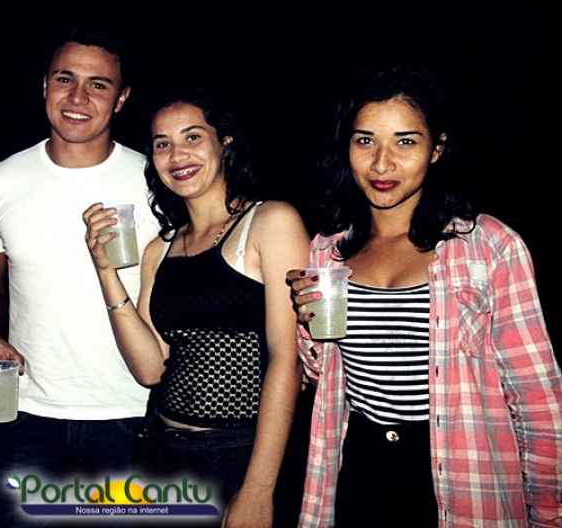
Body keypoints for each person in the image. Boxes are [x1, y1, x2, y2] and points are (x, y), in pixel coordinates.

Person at [288, 66, 562, 526]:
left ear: (436, 149)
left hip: (460, 474)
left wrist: (549, 513)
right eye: (365, 141)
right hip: (359, 471)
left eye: (405, 142)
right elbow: (321, 374)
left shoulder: (488, 247)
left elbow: (537, 399)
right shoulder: (327, 251)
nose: (382, 164)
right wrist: (307, 323)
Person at [82, 87, 310, 527]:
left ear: (224, 141)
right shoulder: (160, 248)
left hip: (239, 454)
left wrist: (258, 488)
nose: (177, 155)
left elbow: (288, 359)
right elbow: (150, 368)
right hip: (161, 450)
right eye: (162, 144)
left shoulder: (270, 222)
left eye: (192, 137)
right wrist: (105, 271)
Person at [0, 28, 158, 521]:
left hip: (132, 411)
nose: (77, 97)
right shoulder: (1, 180)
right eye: (65, 79)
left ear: (121, 99)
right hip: (26, 411)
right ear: (44, 85)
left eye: (98, 85)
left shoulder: (155, 180)